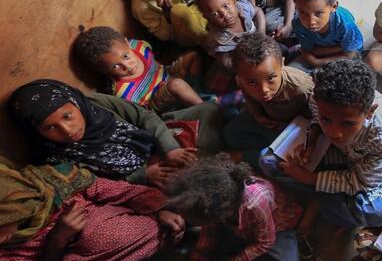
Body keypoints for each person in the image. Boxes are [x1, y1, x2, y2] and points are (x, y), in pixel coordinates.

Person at [0, 159, 184, 261]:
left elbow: (123, 192)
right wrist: (59, 237)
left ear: (15, 204)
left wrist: (161, 208)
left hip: (138, 238)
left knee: (98, 235)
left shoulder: (55, 181)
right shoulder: (4, 256)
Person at [260, 59, 382, 230]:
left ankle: (318, 197)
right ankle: (329, 198)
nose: (334, 133)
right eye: (326, 119)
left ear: (369, 112)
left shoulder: (381, 137)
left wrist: (309, 178)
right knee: (267, 161)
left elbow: (363, 181)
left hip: (368, 165)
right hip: (340, 152)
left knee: (375, 212)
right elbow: (315, 119)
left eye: (347, 123)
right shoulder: (318, 99)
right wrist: (311, 142)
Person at [8, 80, 222, 189]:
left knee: (210, 111)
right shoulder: (53, 157)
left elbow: (143, 115)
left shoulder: (92, 103)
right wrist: (143, 175)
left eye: (67, 116)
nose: (67, 130)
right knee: (189, 187)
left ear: (75, 103)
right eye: (50, 128)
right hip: (140, 176)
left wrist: (171, 148)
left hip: (151, 141)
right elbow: (93, 184)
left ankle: (208, 160)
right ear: (36, 132)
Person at [168, 155, 301, 261]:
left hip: (278, 228)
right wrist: (198, 257)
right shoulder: (215, 202)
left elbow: (265, 242)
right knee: (213, 250)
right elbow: (209, 229)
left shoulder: (256, 204)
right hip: (240, 228)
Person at [222, 33, 313, 167]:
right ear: (239, 75)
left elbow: (314, 118)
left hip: (292, 128)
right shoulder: (242, 80)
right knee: (229, 135)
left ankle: (245, 156)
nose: (264, 90)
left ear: (282, 63)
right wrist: (257, 115)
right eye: (252, 82)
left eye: (271, 78)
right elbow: (249, 98)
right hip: (267, 120)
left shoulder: (301, 87)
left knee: (282, 160)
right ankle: (268, 148)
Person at [73, 26, 203, 113]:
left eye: (126, 56)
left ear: (127, 42)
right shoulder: (122, 92)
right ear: (102, 71)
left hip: (167, 74)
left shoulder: (139, 46)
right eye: (115, 67)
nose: (127, 66)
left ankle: (195, 90)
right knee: (177, 85)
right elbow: (144, 113)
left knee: (193, 56)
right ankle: (203, 108)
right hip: (155, 101)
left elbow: (156, 62)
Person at [290, 0, 363, 70]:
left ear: (333, 6)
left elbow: (350, 55)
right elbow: (312, 51)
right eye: (303, 12)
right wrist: (340, 47)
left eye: (318, 13)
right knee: (292, 71)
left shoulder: (345, 25)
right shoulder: (298, 24)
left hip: (347, 55)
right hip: (332, 50)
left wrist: (318, 62)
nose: (311, 22)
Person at [196, 0, 266, 71]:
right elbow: (226, 62)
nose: (224, 14)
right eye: (215, 14)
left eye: (226, 6)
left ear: (233, 0)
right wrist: (243, 63)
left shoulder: (243, 8)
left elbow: (258, 11)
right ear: (208, 18)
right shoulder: (219, 39)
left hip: (257, 41)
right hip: (242, 58)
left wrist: (262, 32)